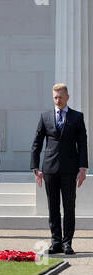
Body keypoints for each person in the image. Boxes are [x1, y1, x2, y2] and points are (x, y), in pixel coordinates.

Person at [30, 83, 88, 255]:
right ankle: (56, 242)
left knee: (69, 207)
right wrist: (35, 167)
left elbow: (83, 144)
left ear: (67, 97)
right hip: (49, 169)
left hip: (70, 170)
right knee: (53, 206)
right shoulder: (45, 116)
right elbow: (37, 142)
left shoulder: (77, 117)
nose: (58, 99)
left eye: (61, 96)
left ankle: (67, 243)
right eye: (55, 97)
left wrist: (82, 168)